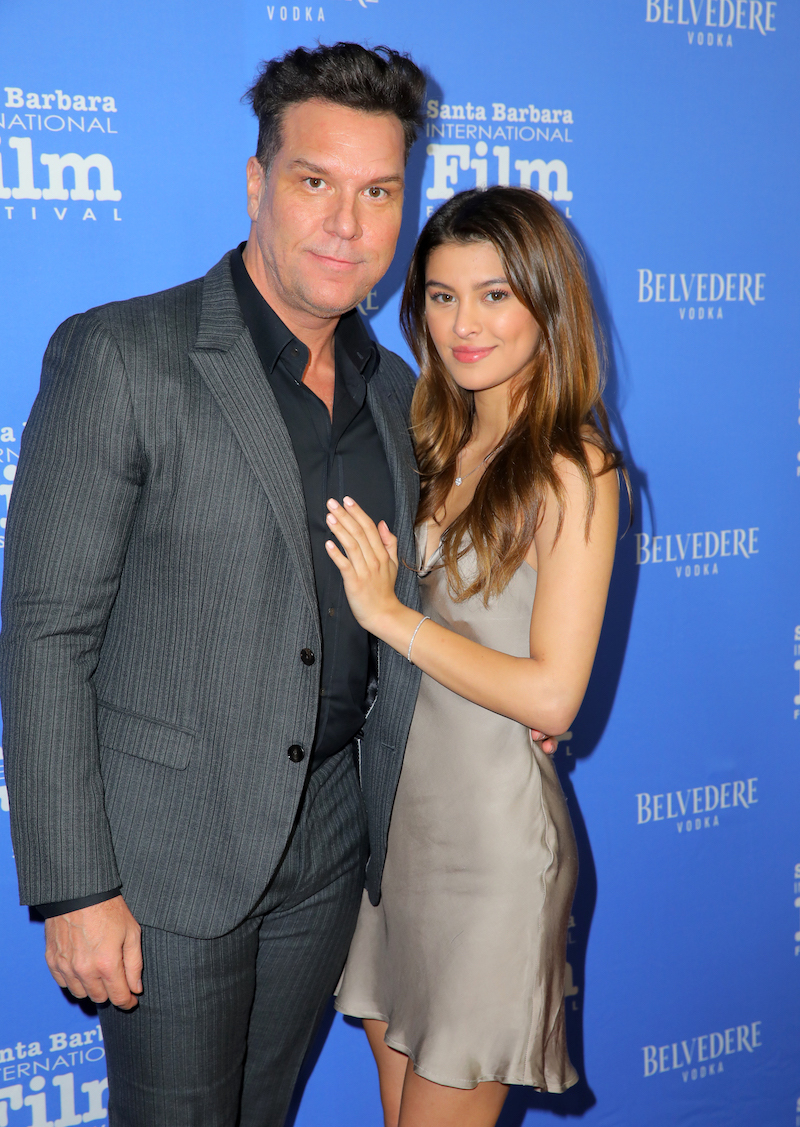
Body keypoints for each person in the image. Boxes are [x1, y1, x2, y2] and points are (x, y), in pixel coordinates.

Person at [0, 43, 427, 1127]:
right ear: (255, 183)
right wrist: (77, 886)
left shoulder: (398, 393)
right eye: (314, 180)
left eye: (379, 191)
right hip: (166, 859)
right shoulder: (122, 355)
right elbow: (44, 632)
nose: (346, 223)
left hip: (331, 841)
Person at [328, 186, 624, 1127]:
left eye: (495, 295)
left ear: (547, 302)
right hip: (394, 840)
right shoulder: (430, 436)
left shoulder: (572, 464)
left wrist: (390, 617)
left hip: (490, 857)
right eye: (443, 296)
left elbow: (555, 696)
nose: (465, 325)